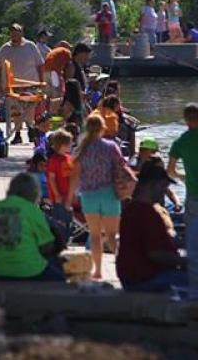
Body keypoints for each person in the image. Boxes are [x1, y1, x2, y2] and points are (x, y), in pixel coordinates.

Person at [68, 114, 128, 280]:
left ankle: (98, 271)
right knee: (112, 236)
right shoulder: (111, 146)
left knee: (95, 235)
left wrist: (70, 196)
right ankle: (123, 268)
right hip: (110, 194)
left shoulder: (81, 149)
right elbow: (122, 166)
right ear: (103, 129)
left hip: (89, 196)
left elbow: (75, 175)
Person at [0, 172, 65, 281]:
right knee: (61, 278)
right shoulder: (32, 211)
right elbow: (47, 246)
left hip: (0, 270)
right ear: (34, 193)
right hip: (30, 270)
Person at [117, 162, 187, 292]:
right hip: (144, 278)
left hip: (131, 276)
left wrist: (186, 243)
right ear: (151, 185)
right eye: (162, 188)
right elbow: (156, 254)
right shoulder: (146, 213)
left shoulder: (132, 208)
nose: (163, 193)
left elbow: (158, 241)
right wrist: (186, 262)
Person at [0, 24, 46, 145]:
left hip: (31, 84)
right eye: (12, 33)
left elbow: (40, 65)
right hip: (12, 86)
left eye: (17, 33)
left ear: (22, 33)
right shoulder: (5, 48)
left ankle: (31, 129)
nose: (14, 36)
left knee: (29, 108)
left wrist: (42, 82)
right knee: (15, 110)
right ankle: (17, 134)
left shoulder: (30, 46)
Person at [45, 130, 75, 207]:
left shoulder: (69, 158)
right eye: (70, 143)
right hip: (59, 197)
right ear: (62, 145)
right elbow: (52, 179)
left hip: (68, 195)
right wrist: (57, 194)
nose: (72, 145)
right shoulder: (54, 160)